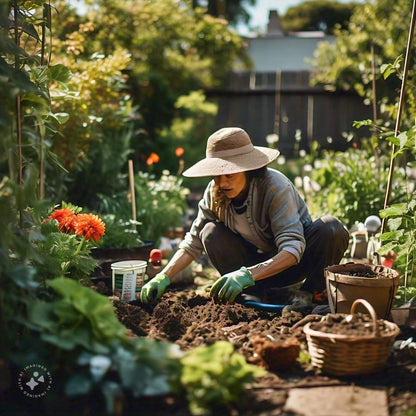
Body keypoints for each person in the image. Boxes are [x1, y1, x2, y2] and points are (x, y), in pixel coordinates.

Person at [140, 127, 349, 311]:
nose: (221, 183)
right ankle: (250, 295)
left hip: (290, 265)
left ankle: (310, 294)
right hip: (248, 271)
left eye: (229, 174)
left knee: (331, 229)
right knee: (210, 232)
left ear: (248, 169)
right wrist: (163, 276)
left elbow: (292, 249)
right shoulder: (214, 192)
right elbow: (193, 243)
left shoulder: (275, 187)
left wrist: (246, 275)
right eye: (216, 175)